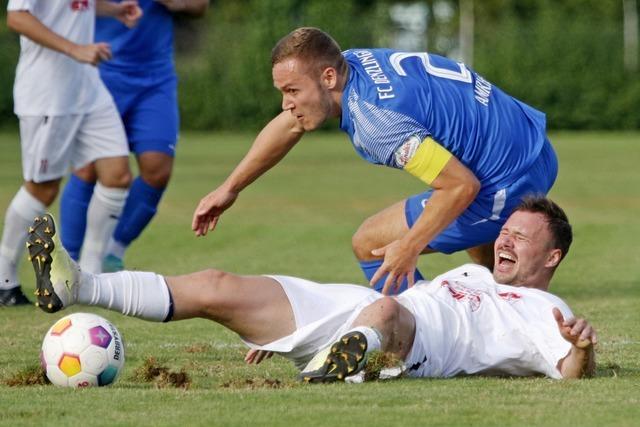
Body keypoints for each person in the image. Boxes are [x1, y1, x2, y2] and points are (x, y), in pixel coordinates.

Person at [27, 196, 597, 381]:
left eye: (521, 239)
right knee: (218, 285)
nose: (505, 240)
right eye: (506, 231)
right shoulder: (473, 272)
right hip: (358, 309)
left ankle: (343, 358)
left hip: (424, 343)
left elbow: (569, 370)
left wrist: (582, 350)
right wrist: (294, 331)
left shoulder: (547, 307)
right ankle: (78, 285)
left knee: (389, 311)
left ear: (552, 256)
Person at [191, 27, 559, 295]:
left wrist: (409, 247)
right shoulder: (352, 61)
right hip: (535, 145)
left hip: (505, 181)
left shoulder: (373, 121)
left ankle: (429, 335)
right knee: (474, 239)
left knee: (371, 243)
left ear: (328, 77)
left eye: (292, 91)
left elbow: (461, 186)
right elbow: (290, 124)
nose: (286, 103)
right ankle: (515, 306)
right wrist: (230, 187)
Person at [0, 0, 142, 306]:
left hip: (88, 89)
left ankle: (90, 278)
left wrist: (114, 10)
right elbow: (17, 17)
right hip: (47, 96)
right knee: (43, 188)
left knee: (117, 175)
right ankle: (4, 277)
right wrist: (74, 49)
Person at [59, 0, 209, 274]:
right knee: (88, 168)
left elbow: (200, 6)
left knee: (157, 170)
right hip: (101, 72)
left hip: (156, 80)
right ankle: (66, 262)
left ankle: (112, 253)